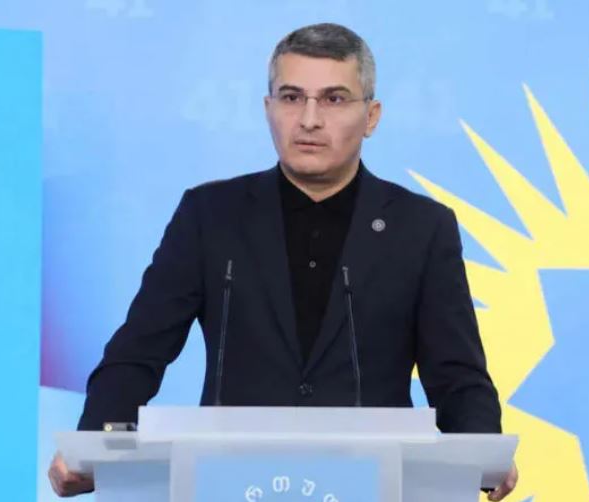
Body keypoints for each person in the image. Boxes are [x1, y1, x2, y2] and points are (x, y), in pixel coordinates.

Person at [48, 22, 518, 500]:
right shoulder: (211, 215)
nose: (309, 119)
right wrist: (93, 444)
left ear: (371, 116)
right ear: (268, 108)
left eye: (334, 99)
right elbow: (138, 351)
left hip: (372, 485)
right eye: (292, 97)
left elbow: (456, 374)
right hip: (230, 482)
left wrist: (482, 450)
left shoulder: (421, 227)